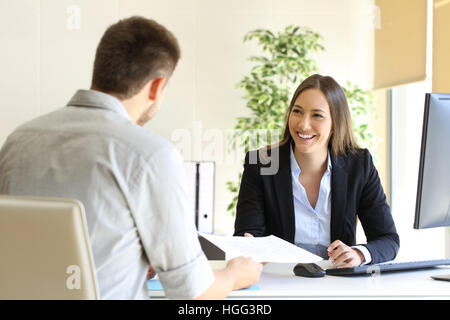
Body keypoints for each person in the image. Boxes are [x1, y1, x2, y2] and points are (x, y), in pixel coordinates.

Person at [0, 16, 262, 299]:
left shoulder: (18, 140)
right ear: (156, 86)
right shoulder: (150, 154)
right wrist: (237, 273)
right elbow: (193, 292)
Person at [234, 74, 399, 268]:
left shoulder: (359, 165)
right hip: (279, 282)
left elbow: (388, 239)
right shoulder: (260, 163)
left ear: (335, 123)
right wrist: (250, 247)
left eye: (317, 115)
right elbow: (247, 235)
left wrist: (358, 254)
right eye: (297, 112)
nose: (303, 124)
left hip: (336, 285)